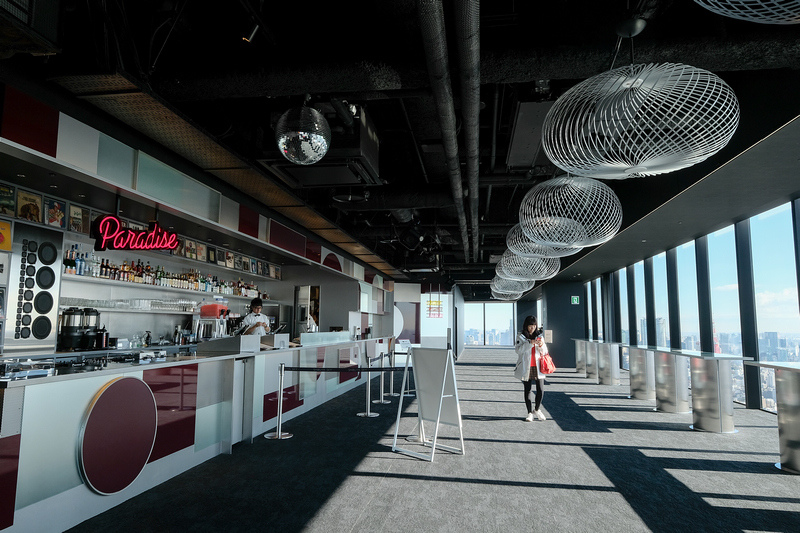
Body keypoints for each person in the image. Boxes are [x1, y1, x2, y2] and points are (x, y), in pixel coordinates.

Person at [514, 315, 549, 422]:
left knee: (540, 390)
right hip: (526, 366)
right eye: (530, 326)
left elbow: (545, 351)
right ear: (526, 325)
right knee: (528, 389)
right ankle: (529, 413)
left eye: (534, 326)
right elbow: (518, 351)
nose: (532, 328)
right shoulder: (521, 336)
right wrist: (530, 343)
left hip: (538, 366)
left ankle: (537, 409)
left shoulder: (540, 336)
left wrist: (541, 345)